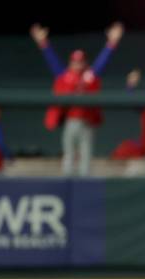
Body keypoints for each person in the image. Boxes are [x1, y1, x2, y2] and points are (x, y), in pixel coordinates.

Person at [30, 22, 124, 176]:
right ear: (70, 63)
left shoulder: (89, 76)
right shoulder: (65, 76)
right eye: (75, 61)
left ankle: (84, 185)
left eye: (80, 61)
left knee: (86, 157)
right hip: (71, 121)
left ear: (84, 62)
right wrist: (42, 42)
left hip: (87, 122)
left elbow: (102, 63)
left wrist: (112, 42)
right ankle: (67, 184)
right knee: (69, 155)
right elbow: (52, 61)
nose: (77, 64)